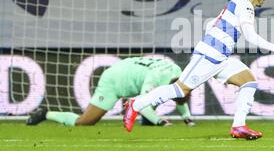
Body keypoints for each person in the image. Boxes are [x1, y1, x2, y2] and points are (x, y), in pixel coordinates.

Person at [122, 0, 274, 139]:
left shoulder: (235, 4)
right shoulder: (244, 6)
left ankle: (239, 126)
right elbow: (250, 36)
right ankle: (136, 104)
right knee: (180, 90)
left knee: (249, 81)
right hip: (209, 56)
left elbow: (210, 24)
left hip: (220, 58)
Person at [26, 57, 195, 127]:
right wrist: (161, 123)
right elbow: (141, 105)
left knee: (153, 104)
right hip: (115, 79)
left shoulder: (177, 73)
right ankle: (46, 114)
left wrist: (187, 119)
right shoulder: (154, 79)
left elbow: (180, 93)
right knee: (85, 121)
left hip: (130, 68)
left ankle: (148, 122)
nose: (185, 99)